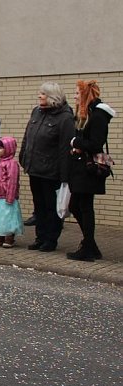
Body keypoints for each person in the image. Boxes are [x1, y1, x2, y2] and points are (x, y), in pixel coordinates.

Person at [19, 82, 75, 252]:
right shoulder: (37, 112)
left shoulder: (65, 117)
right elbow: (28, 136)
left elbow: (65, 148)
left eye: (43, 94)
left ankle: (50, 240)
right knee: (39, 207)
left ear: (52, 97)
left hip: (51, 172)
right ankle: (40, 237)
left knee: (51, 208)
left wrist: (64, 175)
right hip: (34, 168)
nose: (39, 96)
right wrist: (23, 156)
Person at [65, 80, 116, 261]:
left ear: (85, 95)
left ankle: (88, 248)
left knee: (85, 207)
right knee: (76, 206)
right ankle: (90, 245)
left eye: (77, 93)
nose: (74, 97)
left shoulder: (99, 115)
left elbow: (96, 144)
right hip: (80, 167)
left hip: (89, 169)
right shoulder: (89, 114)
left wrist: (76, 143)